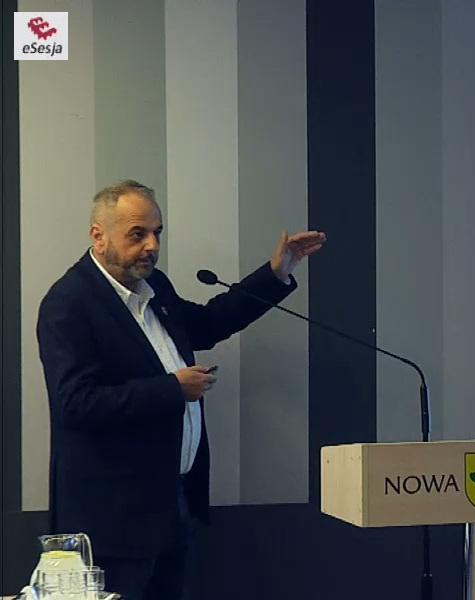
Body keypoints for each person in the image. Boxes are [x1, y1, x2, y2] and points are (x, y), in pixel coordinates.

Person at [34, 180, 325, 600]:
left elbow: (206, 324)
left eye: (157, 233)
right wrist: (172, 388)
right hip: (110, 522)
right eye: (137, 234)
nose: (152, 246)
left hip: (171, 507)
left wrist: (276, 273)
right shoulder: (69, 304)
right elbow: (75, 404)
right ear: (98, 236)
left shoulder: (155, 288)